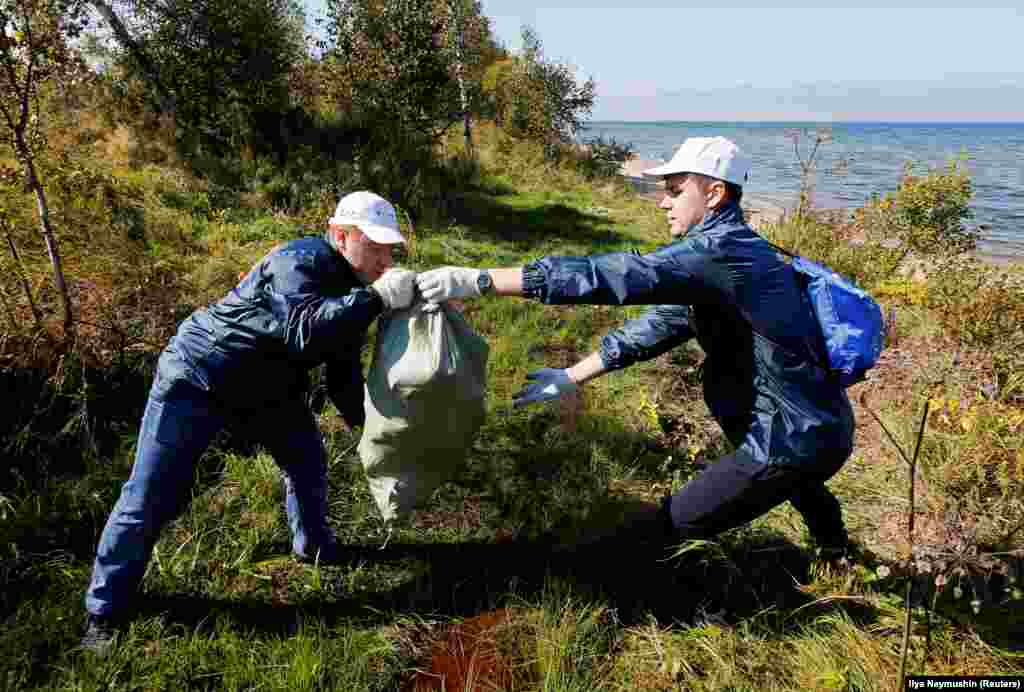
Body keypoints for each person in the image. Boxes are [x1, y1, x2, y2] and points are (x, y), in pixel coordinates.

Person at [416, 136, 854, 557]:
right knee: (803, 488)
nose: (664, 201)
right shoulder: (739, 252)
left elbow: (615, 275)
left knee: (671, 525)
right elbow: (659, 326)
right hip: (813, 427)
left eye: (675, 190)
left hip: (788, 437)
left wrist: (482, 280)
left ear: (715, 193)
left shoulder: (719, 254)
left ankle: (627, 597)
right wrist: (570, 377)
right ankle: (837, 555)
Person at [82, 191, 417, 653]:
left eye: (390, 250)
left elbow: (341, 374)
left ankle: (315, 548)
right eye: (375, 246)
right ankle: (105, 610)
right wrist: (377, 298)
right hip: (199, 376)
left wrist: (375, 433)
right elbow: (304, 330)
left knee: (306, 461)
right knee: (151, 494)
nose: (384, 258)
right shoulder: (299, 259)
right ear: (341, 236)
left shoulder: (353, 291)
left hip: (269, 388)